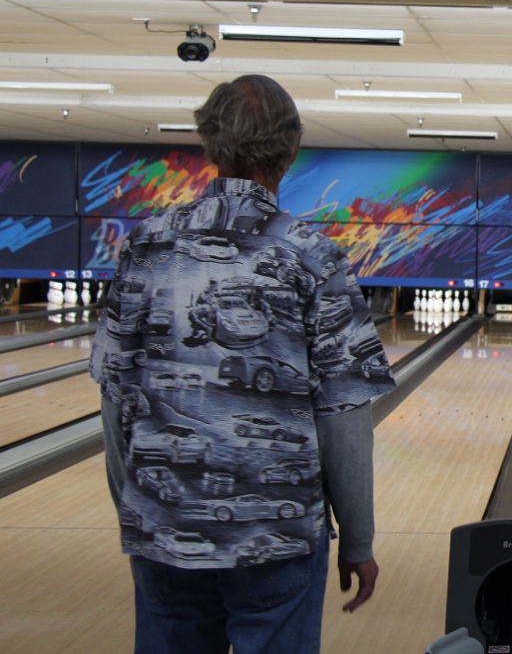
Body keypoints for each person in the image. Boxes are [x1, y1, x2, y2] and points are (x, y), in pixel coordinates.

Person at [89, 74, 396, 654]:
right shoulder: (313, 256)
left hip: (163, 524)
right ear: (290, 150)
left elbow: (113, 395)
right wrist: (358, 539)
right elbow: (344, 415)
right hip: (275, 537)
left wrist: (138, 509)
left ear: (209, 143)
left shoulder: (145, 247)